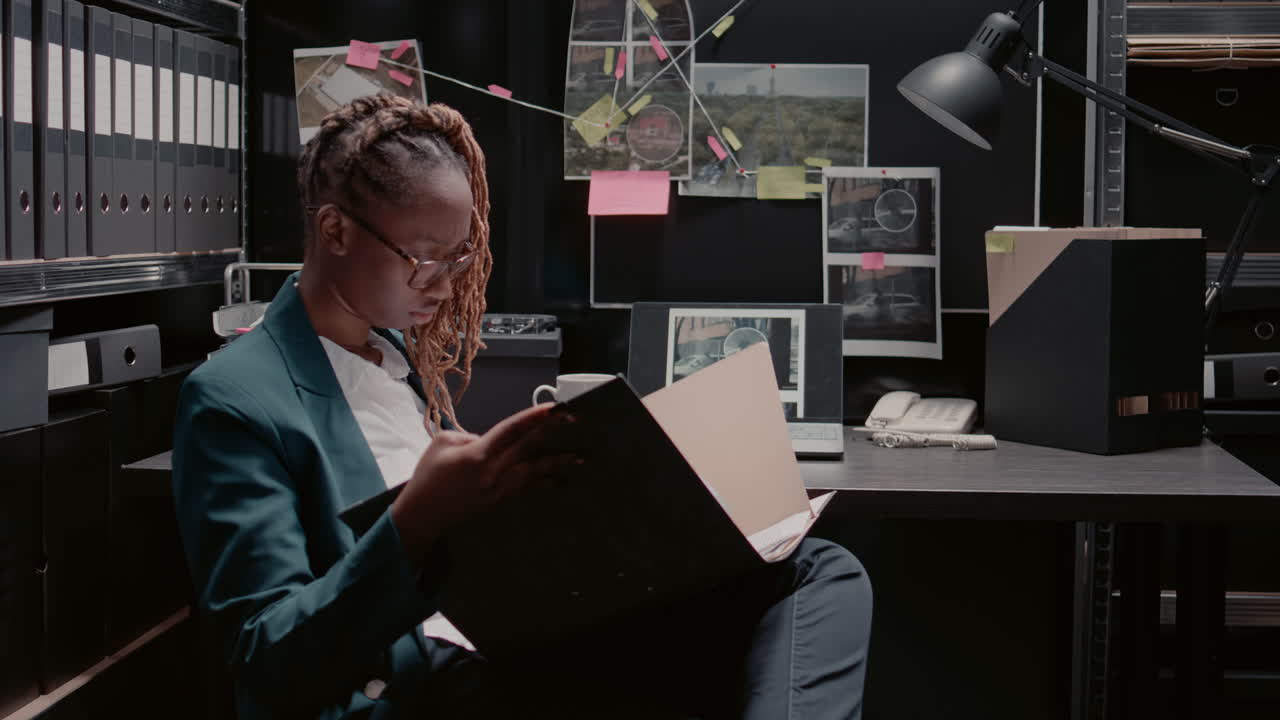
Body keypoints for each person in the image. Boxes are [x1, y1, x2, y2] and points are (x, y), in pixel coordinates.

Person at [172, 94, 872, 720]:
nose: (445, 286)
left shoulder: (391, 357)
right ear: (335, 233)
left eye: (459, 258)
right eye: (423, 258)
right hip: (421, 671)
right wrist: (415, 524)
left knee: (820, 569)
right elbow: (265, 656)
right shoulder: (235, 398)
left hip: (509, 624)